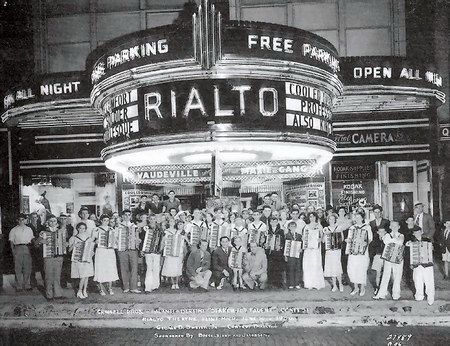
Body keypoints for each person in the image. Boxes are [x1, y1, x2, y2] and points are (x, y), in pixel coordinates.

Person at [36, 215, 67, 300]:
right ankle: (49, 295)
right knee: (48, 276)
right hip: (48, 256)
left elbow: (64, 242)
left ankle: (58, 294)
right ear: (47, 223)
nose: (53, 223)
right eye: (51, 221)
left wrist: (65, 245)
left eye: (54, 221)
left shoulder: (61, 231)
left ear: (57, 223)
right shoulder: (43, 232)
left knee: (57, 276)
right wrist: (41, 241)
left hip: (59, 257)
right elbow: (36, 244)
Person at [373, 221, 404, 300]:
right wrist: (395, 240)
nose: (394, 227)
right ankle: (381, 294)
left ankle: (396, 295)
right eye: (392, 226)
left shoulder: (401, 235)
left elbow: (400, 242)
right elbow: (386, 241)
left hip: (398, 258)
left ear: (399, 227)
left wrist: (392, 240)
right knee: (385, 275)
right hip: (388, 258)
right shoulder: (387, 235)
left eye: (396, 226)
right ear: (390, 227)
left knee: (397, 276)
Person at [346, 208, 373, 296]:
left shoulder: (367, 227)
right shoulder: (352, 228)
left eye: (359, 217)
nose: (357, 219)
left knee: (361, 269)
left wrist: (366, 242)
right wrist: (348, 241)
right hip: (353, 252)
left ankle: (362, 288)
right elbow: (349, 239)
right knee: (353, 269)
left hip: (363, 252)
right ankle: (356, 288)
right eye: (356, 218)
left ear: (362, 218)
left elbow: (370, 239)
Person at [406, 228, 435, 305]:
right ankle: (419, 297)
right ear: (413, 234)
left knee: (429, 281)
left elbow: (432, 250)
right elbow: (409, 255)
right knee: (417, 280)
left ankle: (430, 298)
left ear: (421, 232)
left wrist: (431, 248)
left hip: (427, 264)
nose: (417, 234)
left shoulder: (428, 240)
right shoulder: (411, 242)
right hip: (416, 265)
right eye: (415, 233)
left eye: (418, 232)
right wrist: (411, 264)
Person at [93, 215, 119, 296]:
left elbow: (115, 240)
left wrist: (115, 243)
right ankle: (101, 289)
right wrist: (95, 242)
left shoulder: (112, 229)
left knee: (110, 268)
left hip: (109, 251)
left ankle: (110, 288)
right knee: (100, 268)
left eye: (107, 220)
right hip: (100, 251)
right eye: (104, 220)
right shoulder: (96, 229)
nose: (106, 222)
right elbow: (91, 240)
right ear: (101, 220)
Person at [117, 210, 141, 293]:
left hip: (133, 249)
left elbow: (138, 239)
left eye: (128, 215)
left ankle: (133, 287)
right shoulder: (118, 226)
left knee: (134, 268)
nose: (127, 216)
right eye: (125, 215)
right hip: (122, 249)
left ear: (131, 216)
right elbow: (115, 238)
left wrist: (137, 240)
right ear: (122, 216)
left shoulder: (134, 226)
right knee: (124, 268)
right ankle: (126, 286)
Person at [69, 222, 95, 299]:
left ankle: (84, 290)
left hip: (87, 259)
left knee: (86, 275)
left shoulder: (89, 238)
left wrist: (91, 253)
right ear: (77, 229)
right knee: (82, 276)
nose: (82, 230)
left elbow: (91, 249)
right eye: (80, 228)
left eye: (83, 228)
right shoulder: (73, 238)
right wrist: (74, 245)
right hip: (78, 259)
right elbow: (69, 250)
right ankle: (79, 291)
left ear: (85, 229)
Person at [9, 214, 34, 292]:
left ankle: (27, 285)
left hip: (27, 248)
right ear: (17, 221)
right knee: (18, 268)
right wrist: (13, 251)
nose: (21, 221)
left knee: (27, 267)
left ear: (25, 220)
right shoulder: (14, 230)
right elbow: (11, 241)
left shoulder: (29, 229)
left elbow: (32, 239)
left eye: (23, 220)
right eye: (19, 220)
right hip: (18, 248)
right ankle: (19, 286)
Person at [302, 212, 325, 290]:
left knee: (316, 265)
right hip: (308, 250)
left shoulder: (319, 226)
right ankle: (309, 284)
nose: (312, 218)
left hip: (316, 249)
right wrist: (304, 240)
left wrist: (320, 239)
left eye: (313, 216)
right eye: (310, 217)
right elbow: (304, 237)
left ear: (316, 217)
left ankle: (317, 283)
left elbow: (323, 237)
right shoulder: (306, 226)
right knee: (308, 265)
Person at [142, 215, 164, 293]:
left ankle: (155, 285)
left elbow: (162, 239)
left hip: (157, 251)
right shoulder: (145, 228)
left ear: (156, 220)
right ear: (148, 220)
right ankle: (148, 287)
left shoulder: (160, 229)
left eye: (153, 219)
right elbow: (143, 240)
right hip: (148, 251)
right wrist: (143, 250)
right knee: (149, 268)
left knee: (156, 268)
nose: (152, 220)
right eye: (150, 219)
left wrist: (161, 248)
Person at [161, 219, 185, 290]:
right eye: (170, 221)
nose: (172, 222)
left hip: (177, 252)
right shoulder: (166, 231)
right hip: (169, 251)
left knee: (177, 267)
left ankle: (176, 283)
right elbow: (163, 241)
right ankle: (172, 283)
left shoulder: (177, 231)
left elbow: (182, 241)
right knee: (170, 267)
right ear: (168, 222)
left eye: (173, 221)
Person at [323, 213, 344, 292]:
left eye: (333, 219)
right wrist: (324, 235)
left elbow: (342, 239)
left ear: (335, 220)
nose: (331, 220)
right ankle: (334, 285)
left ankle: (340, 284)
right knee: (331, 267)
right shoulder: (326, 228)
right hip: (329, 250)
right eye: (330, 219)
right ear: (328, 220)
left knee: (337, 266)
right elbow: (323, 241)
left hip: (337, 250)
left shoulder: (339, 228)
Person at [266, 217, 285, 289]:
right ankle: (271, 283)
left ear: (277, 223)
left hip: (278, 252)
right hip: (270, 252)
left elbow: (283, 241)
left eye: (275, 222)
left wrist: (281, 246)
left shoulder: (281, 231)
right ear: (270, 223)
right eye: (272, 221)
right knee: (270, 267)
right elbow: (265, 241)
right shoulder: (267, 231)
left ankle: (279, 283)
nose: (273, 223)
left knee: (278, 267)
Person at [28, 212, 45, 287]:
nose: (34, 219)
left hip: (40, 249)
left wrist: (39, 243)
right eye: (32, 217)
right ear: (30, 218)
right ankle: (33, 283)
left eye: (35, 217)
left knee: (42, 266)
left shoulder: (42, 227)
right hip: (32, 248)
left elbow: (44, 236)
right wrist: (34, 243)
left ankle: (45, 282)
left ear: (37, 218)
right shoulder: (28, 227)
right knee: (32, 266)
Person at [285, 221, 302, 289]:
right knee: (291, 268)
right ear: (289, 227)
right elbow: (285, 246)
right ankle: (291, 284)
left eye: (294, 226)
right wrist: (285, 255)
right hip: (290, 254)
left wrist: (301, 249)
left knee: (297, 268)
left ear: (296, 227)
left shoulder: (299, 235)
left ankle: (297, 283)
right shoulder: (286, 235)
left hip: (297, 254)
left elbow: (302, 244)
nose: (293, 228)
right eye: (291, 226)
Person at [370, 227, 387, 294]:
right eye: (380, 231)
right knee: (378, 274)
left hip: (385, 258)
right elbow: (372, 250)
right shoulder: (375, 241)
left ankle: (384, 289)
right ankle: (377, 288)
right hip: (378, 257)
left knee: (385, 274)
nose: (381, 233)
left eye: (383, 231)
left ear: (385, 232)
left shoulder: (387, 239)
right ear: (377, 232)